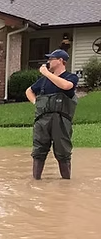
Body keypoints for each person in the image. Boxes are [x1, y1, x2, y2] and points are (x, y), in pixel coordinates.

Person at [27, 49, 79, 180]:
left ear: (61, 61)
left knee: (63, 152)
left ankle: (66, 183)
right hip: (42, 120)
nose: (48, 61)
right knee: (38, 151)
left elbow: (66, 86)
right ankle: (36, 182)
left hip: (61, 120)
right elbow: (29, 91)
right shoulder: (43, 81)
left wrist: (46, 73)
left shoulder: (70, 77)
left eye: (51, 59)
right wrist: (36, 103)